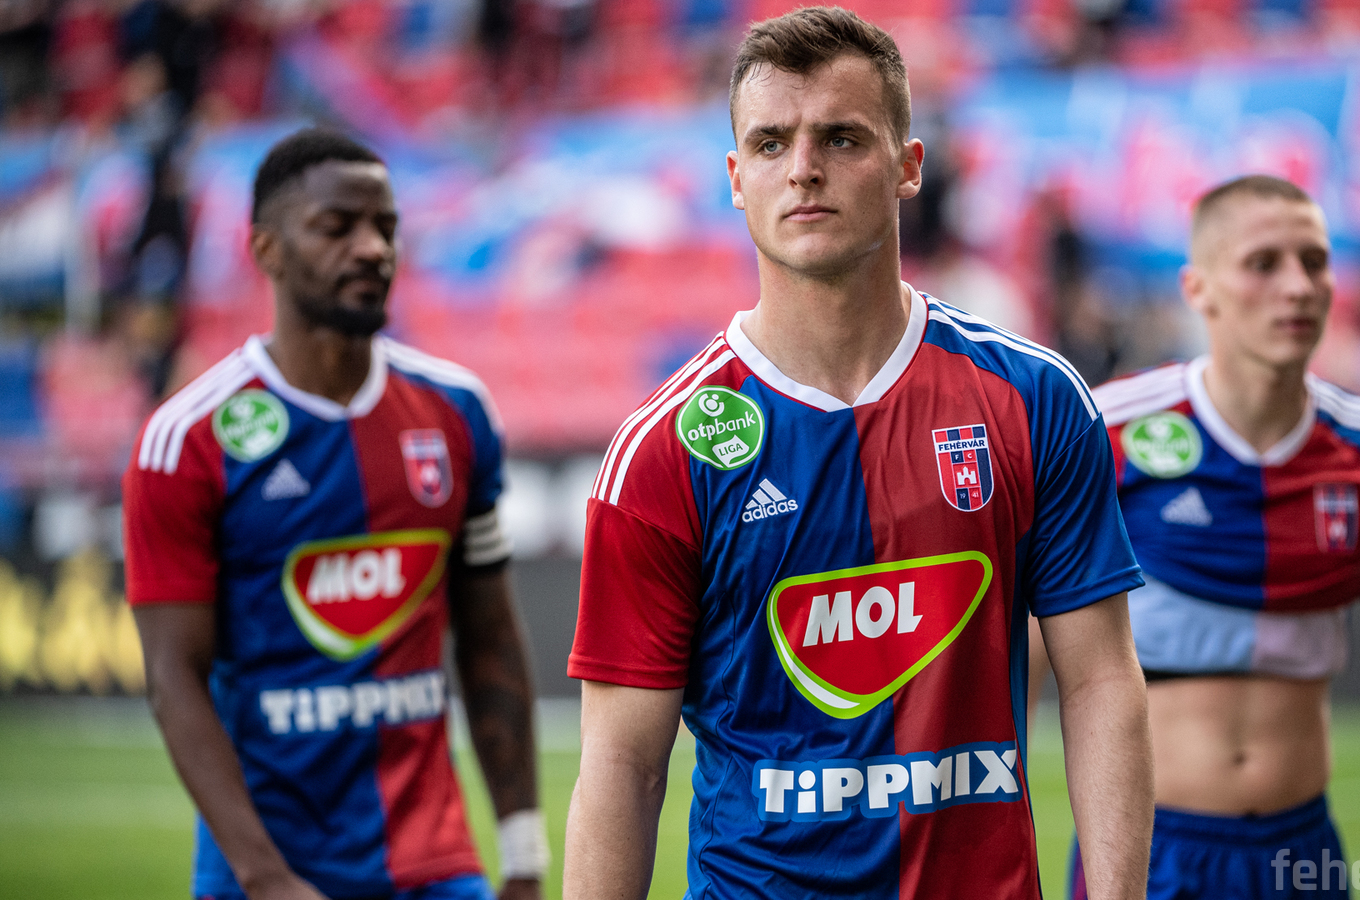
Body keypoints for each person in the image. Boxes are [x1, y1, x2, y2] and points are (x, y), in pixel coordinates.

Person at [563, 8, 1153, 899]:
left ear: (909, 166)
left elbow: (1101, 679)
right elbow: (622, 766)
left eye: (841, 138)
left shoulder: (1032, 400)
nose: (803, 167)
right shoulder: (661, 452)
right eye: (770, 144)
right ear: (736, 179)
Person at [123, 128, 547, 900]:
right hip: (266, 875)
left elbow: (490, 637)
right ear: (266, 250)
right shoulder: (186, 441)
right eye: (337, 227)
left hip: (437, 869)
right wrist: (267, 879)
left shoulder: (457, 413)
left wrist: (523, 856)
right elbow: (173, 678)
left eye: (385, 227)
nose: (372, 249)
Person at [1079, 175, 1360, 899]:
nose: (1298, 286)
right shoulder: (1107, 430)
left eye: (1315, 262)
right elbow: (1025, 657)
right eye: (1264, 263)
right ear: (1198, 289)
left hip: (1303, 857)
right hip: (1147, 856)